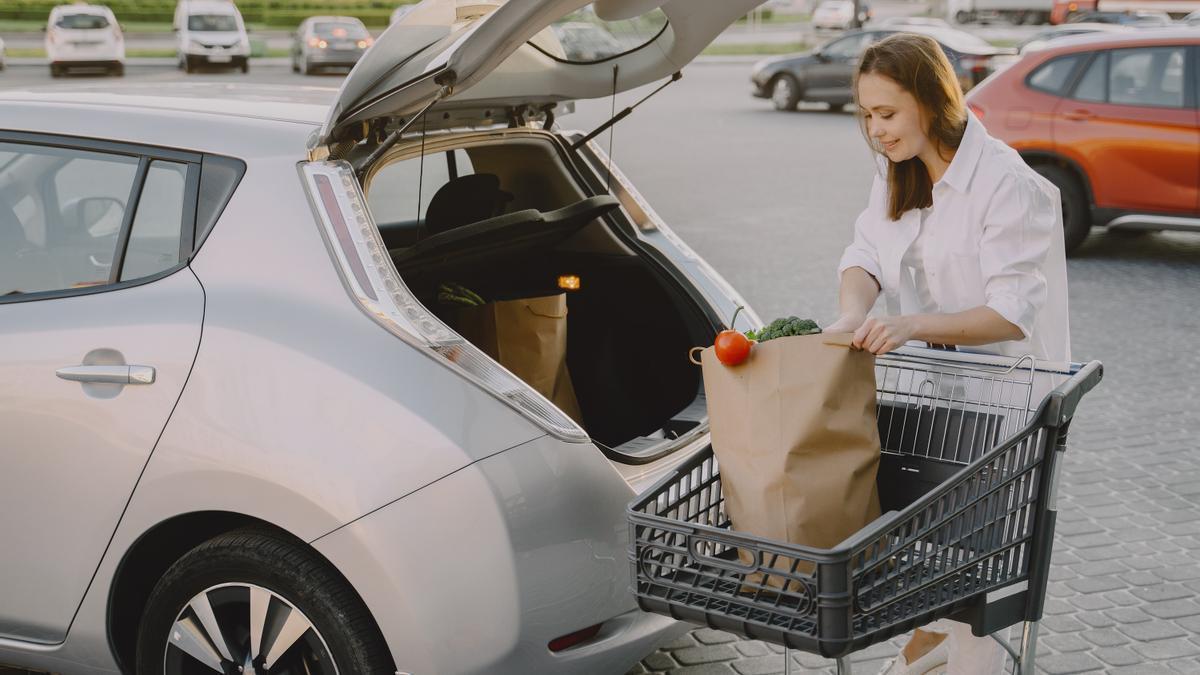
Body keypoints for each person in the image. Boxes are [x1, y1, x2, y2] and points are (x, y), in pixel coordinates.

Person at [825, 33, 1071, 674]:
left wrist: (908, 326)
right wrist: (855, 312)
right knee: (922, 528)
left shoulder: (1005, 184)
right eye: (867, 115)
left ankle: (958, 649)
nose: (875, 131)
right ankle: (937, 642)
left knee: (977, 541)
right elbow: (865, 254)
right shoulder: (896, 170)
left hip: (1004, 397)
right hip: (933, 391)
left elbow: (1010, 316)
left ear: (932, 103)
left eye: (887, 114)